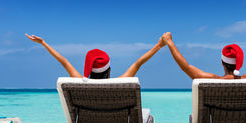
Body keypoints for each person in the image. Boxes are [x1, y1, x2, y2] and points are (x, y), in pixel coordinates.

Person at [25, 33, 165, 79]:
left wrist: (43, 43)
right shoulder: (118, 83)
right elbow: (138, 63)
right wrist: (159, 46)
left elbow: (64, 61)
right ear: (108, 69)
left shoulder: (80, 83)